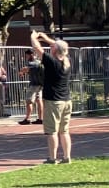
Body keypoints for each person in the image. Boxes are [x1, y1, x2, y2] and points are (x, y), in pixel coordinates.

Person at [31, 31, 73, 164]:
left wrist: (33, 36)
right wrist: (45, 38)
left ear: (55, 50)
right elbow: (60, 47)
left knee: (51, 132)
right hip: (66, 100)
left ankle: (52, 158)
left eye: (53, 47)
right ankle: (67, 157)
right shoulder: (66, 61)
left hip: (53, 101)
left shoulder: (51, 61)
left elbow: (37, 48)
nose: (51, 47)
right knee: (64, 131)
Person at [18, 49, 44, 125]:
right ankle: (40, 118)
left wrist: (21, 72)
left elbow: (25, 69)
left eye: (27, 55)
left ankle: (27, 119)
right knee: (39, 101)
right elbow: (30, 71)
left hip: (34, 85)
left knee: (29, 101)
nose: (26, 57)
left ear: (31, 55)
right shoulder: (39, 62)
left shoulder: (33, 63)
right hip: (40, 85)